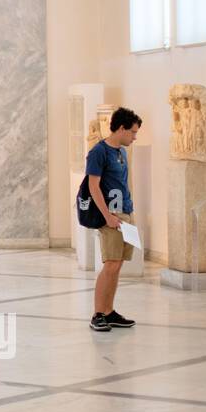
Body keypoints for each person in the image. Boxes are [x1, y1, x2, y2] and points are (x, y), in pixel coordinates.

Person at [85, 107, 142, 332]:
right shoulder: (99, 152)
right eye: (133, 132)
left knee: (117, 265)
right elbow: (93, 185)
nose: (135, 137)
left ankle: (109, 312)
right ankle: (98, 313)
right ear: (121, 128)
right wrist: (107, 216)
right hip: (110, 216)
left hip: (125, 214)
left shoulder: (122, 152)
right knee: (110, 264)